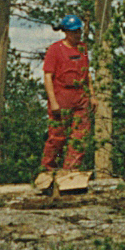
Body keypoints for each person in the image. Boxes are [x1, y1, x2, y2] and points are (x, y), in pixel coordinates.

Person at [40, 14, 90, 178]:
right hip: (61, 97)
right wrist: (53, 102)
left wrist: (93, 95)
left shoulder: (82, 48)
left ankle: (71, 171)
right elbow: (48, 76)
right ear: (66, 32)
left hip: (80, 97)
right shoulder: (55, 49)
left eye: (79, 31)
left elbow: (87, 73)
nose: (78, 34)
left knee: (80, 136)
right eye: (74, 32)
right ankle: (48, 171)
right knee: (57, 137)